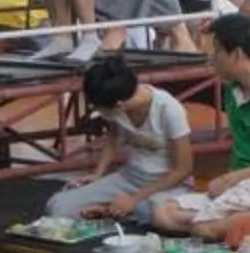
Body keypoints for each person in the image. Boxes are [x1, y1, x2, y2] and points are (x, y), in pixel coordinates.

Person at [150, 14, 250, 230]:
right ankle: (228, 223)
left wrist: (232, 179)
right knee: (162, 213)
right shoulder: (233, 91)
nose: (212, 58)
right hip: (241, 184)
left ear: (237, 54)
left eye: (218, 51)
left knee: (204, 228)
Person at [47, 55, 197, 226]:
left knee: (154, 212)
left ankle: (109, 211)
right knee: (58, 205)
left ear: (119, 105)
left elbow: (183, 169)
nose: (94, 109)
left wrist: (134, 199)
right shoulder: (115, 107)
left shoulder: (169, 109)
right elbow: (113, 136)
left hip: (167, 185)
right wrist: (98, 174)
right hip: (129, 177)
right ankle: (115, 212)